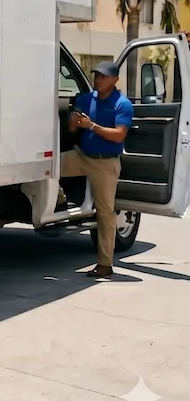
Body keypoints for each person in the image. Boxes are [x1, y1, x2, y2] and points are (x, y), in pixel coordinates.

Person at [60, 61, 133, 279]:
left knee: (105, 213)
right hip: (81, 155)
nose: (98, 79)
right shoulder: (85, 99)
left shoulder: (123, 104)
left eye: (103, 76)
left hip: (106, 163)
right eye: (96, 75)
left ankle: (105, 264)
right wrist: (74, 121)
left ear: (114, 80)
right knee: (48, 168)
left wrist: (91, 126)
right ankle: (58, 196)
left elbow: (119, 135)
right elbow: (73, 129)